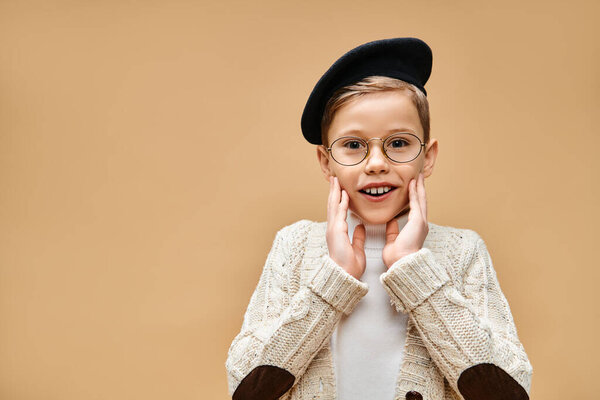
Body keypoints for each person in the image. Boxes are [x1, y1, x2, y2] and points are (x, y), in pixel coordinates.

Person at [225, 37, 533, 400]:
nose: (376, 163)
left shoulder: (462, 250)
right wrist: (333, 280)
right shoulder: (294, 245)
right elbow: (244, 388)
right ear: (326, 162)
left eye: (399, 143)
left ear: (428, 156)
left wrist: (415, 272)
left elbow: (510, 391)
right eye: (353, 145)